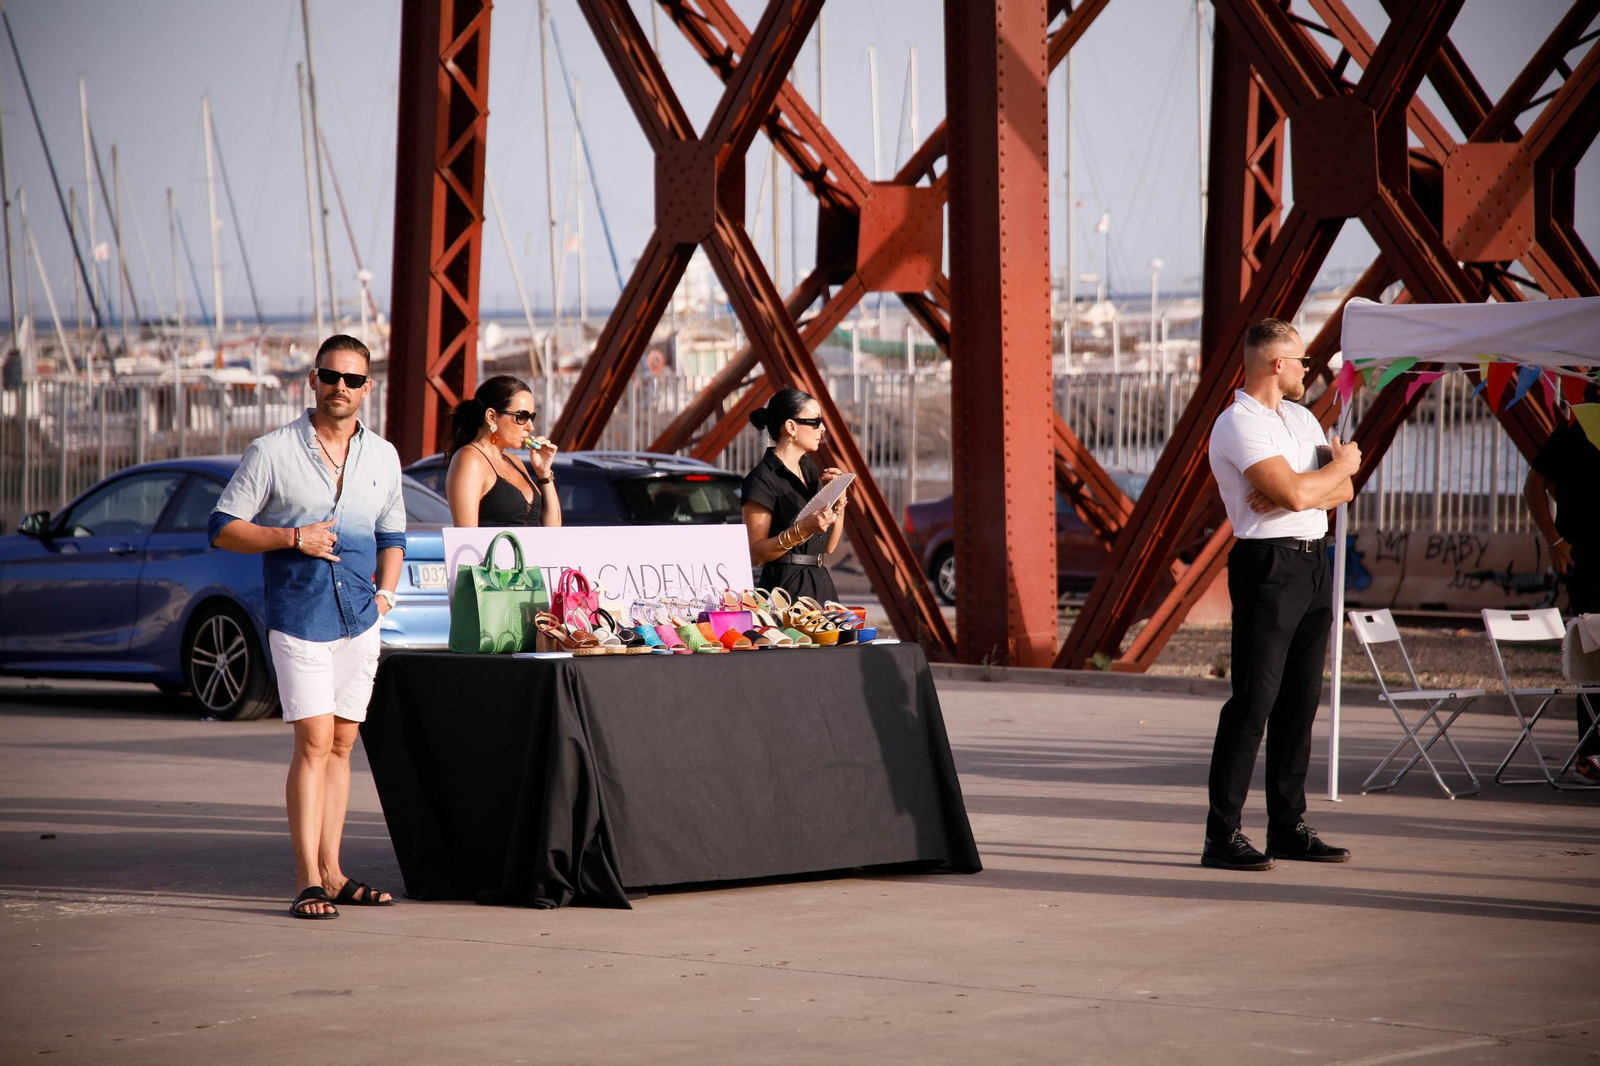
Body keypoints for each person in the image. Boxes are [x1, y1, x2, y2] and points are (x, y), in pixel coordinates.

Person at [208, 334, 406, 918]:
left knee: (344, 745)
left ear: (367, 388)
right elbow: (222, 526)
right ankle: (306, 880)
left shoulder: (385, 456)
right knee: (314, 743)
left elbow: (393, 536)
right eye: (329, 376)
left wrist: (387, 596)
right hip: (299, 617)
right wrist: (292, 537)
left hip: (361, 619)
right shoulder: (271, 451)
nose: (339, 387)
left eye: (351, 379)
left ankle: (336, 873)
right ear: (312, 380)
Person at [1202, 318, 1358, 871]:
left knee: (1300, 704)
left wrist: (1320, 483)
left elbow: (1343, 489)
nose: (1306, 370)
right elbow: (1304, 488)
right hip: (1267, 567)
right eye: (1301, 362)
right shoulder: (1238, 424)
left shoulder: (1300, 416)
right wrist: (1332, 470)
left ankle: (1287, 826)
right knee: (1253, 703)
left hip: (1313, 561)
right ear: (1276, 364)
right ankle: (1222, 836)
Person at [1524, 396, 1600, 784]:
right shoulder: (1578, 426)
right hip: (1586, 561)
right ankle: (1591, 750)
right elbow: (1534, 484)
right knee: (1593, 651)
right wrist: (1554, 540)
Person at [740, 389, 848, 605]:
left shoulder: (808, 469)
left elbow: (829, 547)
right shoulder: (762, 479)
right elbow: (756, 554)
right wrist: (802, 530)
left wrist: (839, 501)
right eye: (815, 422)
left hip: (821, 585)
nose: (822, 428)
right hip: (785, 593)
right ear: (791, 427)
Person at [444, 375, 562, 528]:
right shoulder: (470, 459)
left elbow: (553, 530)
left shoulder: (514, 461)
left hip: (530, 552)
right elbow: (466, 536)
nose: (530, 426)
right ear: (491, 416)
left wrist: (544, 473)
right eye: (522, 416)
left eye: (532, 417)